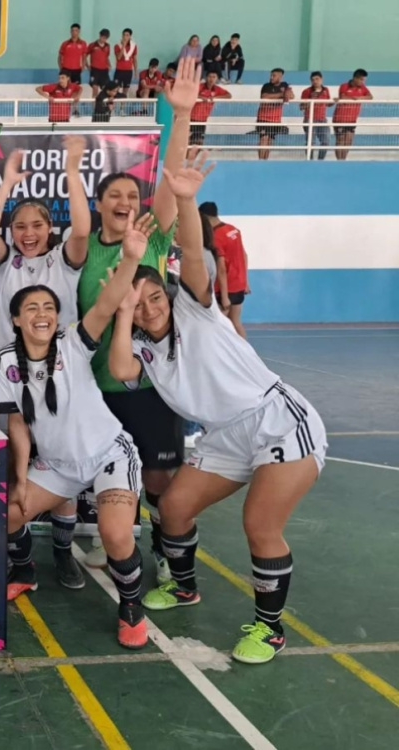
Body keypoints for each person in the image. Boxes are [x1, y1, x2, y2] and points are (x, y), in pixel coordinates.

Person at [109, 154, 327, 665]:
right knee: (175, 509)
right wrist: (123, 310)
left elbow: (189, 247)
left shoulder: (194, 306)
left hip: (275, 418)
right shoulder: (140, 345)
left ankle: (270, 630)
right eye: (138, 305)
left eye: (152, 298)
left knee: (260, 525)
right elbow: (120, 370)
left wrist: (184, 198)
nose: (149, 307)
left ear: (167, 293)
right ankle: (185, 588)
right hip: (223, 434)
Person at [0, 210, 158, 648]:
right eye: (32, 308)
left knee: (115, 534)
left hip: (108, 453)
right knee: (9, 512)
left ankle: (130, 604)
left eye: (49, 307)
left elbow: (106, 305)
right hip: (59, 465)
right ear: (15, 319)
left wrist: (129, 259)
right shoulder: (8, 361)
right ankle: (26, 570)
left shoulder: (73, 341)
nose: (42, 314)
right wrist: (21, 477)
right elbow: (17, 421)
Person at [76, 55, 198, 588]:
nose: (125, 202)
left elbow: (173, 181)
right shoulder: (82, 251)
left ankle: (169, 557)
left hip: (149, 384)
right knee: (109, 475)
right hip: (98, 384)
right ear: (99, 204)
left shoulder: (152, 236)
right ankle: (115, 541)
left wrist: (181, 116)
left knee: (155, 474)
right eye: (114, 196)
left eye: (131, 195)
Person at [0, 136, 91, 587]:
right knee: (10, 471)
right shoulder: (6, 265)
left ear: (49, 229)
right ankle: (21, 557)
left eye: (36, 225)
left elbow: (81, 230)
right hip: (12, 385)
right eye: (19, 225)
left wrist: (73, 170)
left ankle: (63, 552)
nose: (27, 233)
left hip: (62, 385)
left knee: (62, 469)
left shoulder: (65, 261)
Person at [199, 201, 248, 338]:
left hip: (225, 289)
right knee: (236, 322)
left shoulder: (216, 236)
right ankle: (245, 356)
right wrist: (245, 282)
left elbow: (221, 269)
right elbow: (244, 255)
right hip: (239, 285)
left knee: (216, 325)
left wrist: (225, 297)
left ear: (205, 217)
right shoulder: (233, 230)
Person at [334, 69, 372, 161]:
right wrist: (353, 98)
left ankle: (344, 159)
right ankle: (340, 161)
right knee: (341, 140)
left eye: (364, 80)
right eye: (361, 80)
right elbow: (342, 97)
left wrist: (359, 98)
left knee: (348, 141)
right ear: (355, 78)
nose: (363, 82)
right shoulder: (344, 86)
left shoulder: (362, 87)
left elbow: (370, 96)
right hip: (340, 118)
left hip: (352, 120)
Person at [190, 71, 231, 154]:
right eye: (209, 76)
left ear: (217, 79)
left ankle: (192, 160)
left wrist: (215, 97)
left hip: (203, 120)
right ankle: (186, 160)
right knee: (190, 142)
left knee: (199, 142)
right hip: (192, 118)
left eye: (214, 77)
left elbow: (229, 95)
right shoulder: (200, 86)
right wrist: (201, 97)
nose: (211, 79)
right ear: (206, 77)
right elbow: (189, 93)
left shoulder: (217, 89)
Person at [256, 68, 293, 160]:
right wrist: (281, 95)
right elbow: (265, 96)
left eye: (274, 75)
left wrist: (287, 93)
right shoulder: (266, 86)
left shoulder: (285, 85)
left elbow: (291, 96)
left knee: (269, 141)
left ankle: (265, 161)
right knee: (263, 139)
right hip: (263, 118)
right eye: (271, 75)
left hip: (275, 119)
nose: (271, 77)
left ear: (280, 77)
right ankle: (260, 162)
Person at [300, 71, 333, 161]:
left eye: (317, 79)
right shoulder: (306, 91)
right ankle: (310, 161)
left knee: (326, 141)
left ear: (321, 79)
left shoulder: (326, 90)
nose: (315, 81)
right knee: (311, 142)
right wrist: (311, 100)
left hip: (322, 120)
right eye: (313, 80)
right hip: (309, 119)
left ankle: (320, 161)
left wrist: (333, 102)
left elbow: (328, 104)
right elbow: (301, 107)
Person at [57, 24, 87, 91]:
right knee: (66, 88)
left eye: (76, 30)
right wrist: (61, 68)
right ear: (70, 32)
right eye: (72, 30)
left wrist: (83, 66)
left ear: (79, 31)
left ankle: (73, 102)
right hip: (66, 69)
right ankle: (66, 101)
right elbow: (59, 57)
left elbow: (84, 57)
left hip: (77, 70)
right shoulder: (65, 43)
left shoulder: (83, 43)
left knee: (76, 89)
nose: (74, 32)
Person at [86, 29, 112, 99]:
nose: (103, 39)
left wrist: (109, 65)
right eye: (102, 37)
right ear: (100, 36)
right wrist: (87, 66)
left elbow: (106, 57)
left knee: (107, 89)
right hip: (95, 70)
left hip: (104, 71)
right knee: (95, 89)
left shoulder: (107, 46)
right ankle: (95, 109)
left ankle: (105, 108)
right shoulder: (92, 45)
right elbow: (85, 56)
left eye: (105, 38)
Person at [113, 28, 137, 96]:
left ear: (130, 36)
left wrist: (135, 71)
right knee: (115, 89)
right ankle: (113, 105)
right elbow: (119, 57)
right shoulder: (117, 45)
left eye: (127, 35)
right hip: (119, 70)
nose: (125, 37)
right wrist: (123, 45)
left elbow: (135, 59)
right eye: (124, 35)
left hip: (128, 71)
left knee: (125, 91)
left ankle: (122, 106)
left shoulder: (134, 46)